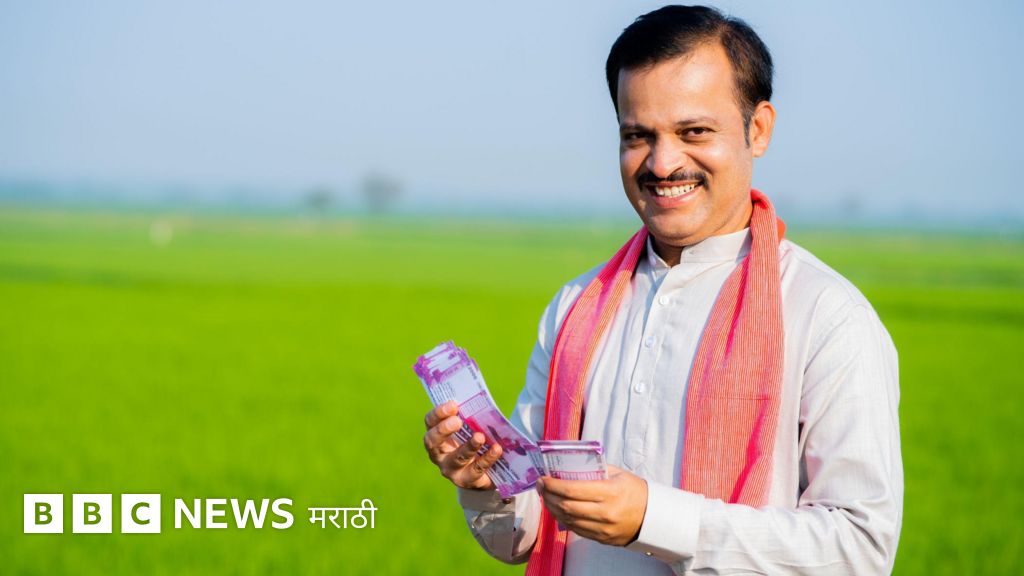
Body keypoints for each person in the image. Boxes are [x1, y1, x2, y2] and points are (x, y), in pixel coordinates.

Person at [422, 5, 902, 575]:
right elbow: (523, 537)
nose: (663, 162)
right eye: (638, 136)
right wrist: (485, 484)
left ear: (758, 129)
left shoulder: (824, 314)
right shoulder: (576, 308)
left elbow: (860, 549)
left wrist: (654, 519)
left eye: (694, 131)